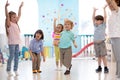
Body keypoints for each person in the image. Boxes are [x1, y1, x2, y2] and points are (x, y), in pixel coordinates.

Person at [5, 0, 23, 76]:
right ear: (9, 18)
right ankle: (8, 70)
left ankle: (15, 70)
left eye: (16, 17)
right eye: (14, 17)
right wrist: (5, 7)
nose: (16, 18)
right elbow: (6, 15)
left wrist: (20, 7)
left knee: (16, 57)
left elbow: (19, 15)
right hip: (12, 43)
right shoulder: (9, 24)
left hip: (17, 43)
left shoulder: (16, 23)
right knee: (11, 56)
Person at [92, 5, 109, 73]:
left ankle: (106, 67)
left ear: (102, 21)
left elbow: (105, 17)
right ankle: (99, 67)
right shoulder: (95, 25)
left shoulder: (103, 25)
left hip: (101, 43)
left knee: (103, 56)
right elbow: (92, 18)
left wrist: (104, 9)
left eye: (99, 20)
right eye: (97, 20)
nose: (98, 21)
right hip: (96, 43)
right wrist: (94, 11)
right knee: (98, 56)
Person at [106, 0, 120, 78]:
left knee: (119, 57)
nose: (109, 5)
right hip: (113, 37)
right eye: (108, 4)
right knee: (117, 57)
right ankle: (118, 73)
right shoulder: (112, 13)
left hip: (118, 37)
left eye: (111, 3)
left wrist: (110, 1)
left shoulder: (118, 10)